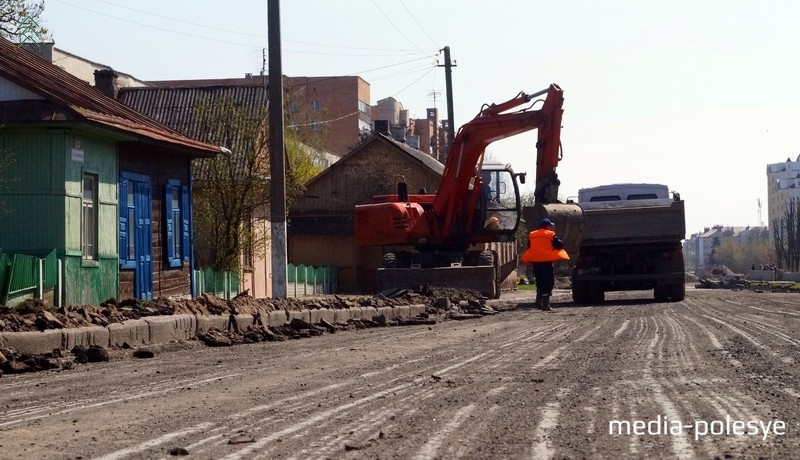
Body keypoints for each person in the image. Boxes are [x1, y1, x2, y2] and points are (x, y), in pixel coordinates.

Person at [520, 218, 570, 311]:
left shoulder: (532, 234)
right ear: (548, 226)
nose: (551, 227)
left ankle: (538, 301)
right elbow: (559, 245)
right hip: (546, 261)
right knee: (548, 282)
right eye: (550, 226)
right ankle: (546, 305)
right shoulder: (551, 234)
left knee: (540, 282)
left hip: (536, 262)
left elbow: (529, 246)